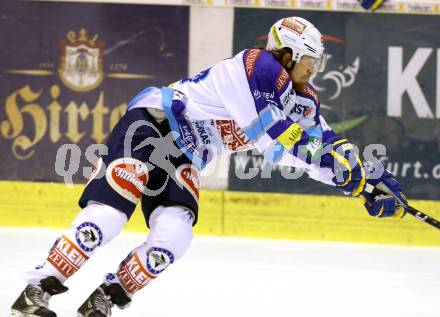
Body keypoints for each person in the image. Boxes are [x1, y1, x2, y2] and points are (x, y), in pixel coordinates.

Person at [10, 16, 408, 317]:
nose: (313, 70)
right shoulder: (258, 66)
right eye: (308, 61)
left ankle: (104, 300)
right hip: (152, 126)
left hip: (184, 157)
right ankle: (34, 291)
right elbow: (274, 135)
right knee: (110, 215)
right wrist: (340, 168)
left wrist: (366, 180)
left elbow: (320, 145)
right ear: (285, 54)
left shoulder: (302, 98)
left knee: (173, 239)